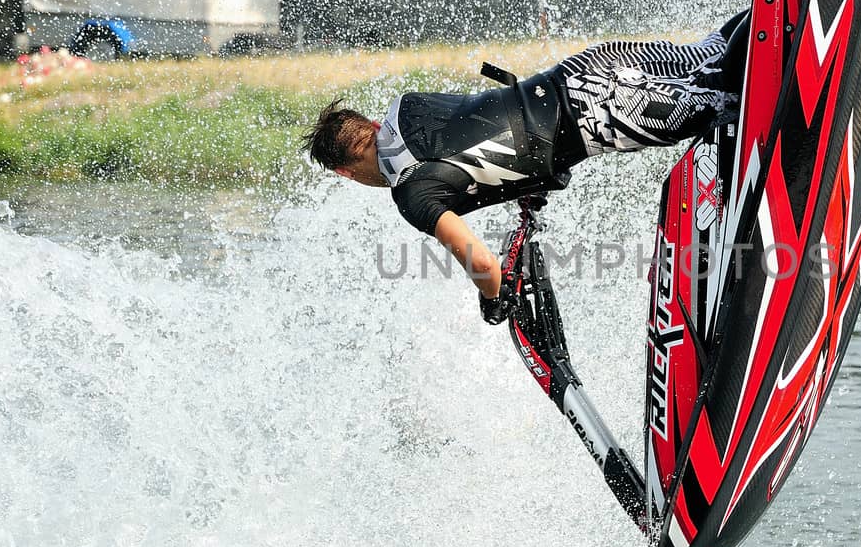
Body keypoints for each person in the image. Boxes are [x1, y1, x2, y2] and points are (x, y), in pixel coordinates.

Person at [303, 18, 744, 324]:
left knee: (733, 106)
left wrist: (492, 296)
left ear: (345, 172)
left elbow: (481, 262)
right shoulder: (407, 105)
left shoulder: (411, 194)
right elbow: (479, 126)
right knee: (721, 55)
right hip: (586, 67)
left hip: (600, 115)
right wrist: (533, 179)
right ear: (373, 125)